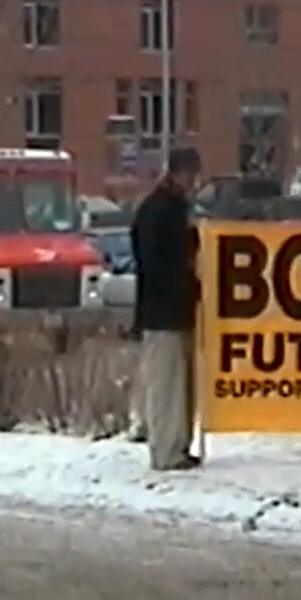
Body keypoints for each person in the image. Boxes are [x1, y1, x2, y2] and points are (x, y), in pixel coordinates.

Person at [130, 147, 202, 470]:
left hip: (170, 308)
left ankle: (177, 445)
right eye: (192, 175)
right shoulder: (163, 210)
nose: (194, 182)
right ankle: (167, 451)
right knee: (167, 384)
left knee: (177, 384)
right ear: (180, 173)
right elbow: (159, 262)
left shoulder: (162, 208)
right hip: (165, 310)